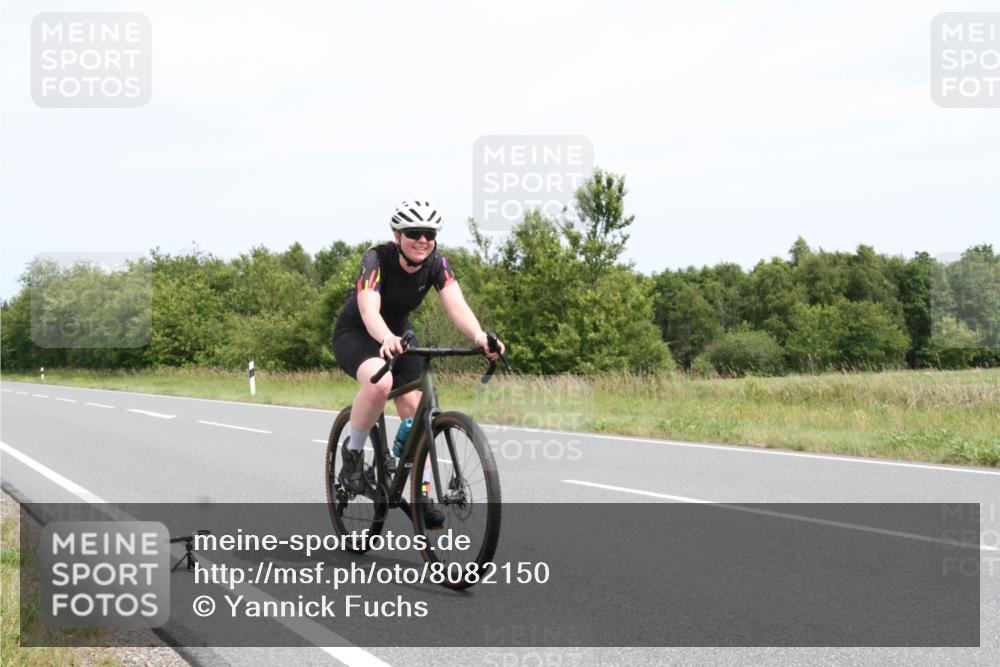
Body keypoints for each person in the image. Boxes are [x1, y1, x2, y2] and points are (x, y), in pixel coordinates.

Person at [331, 200, 505, 526]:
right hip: (358, 333)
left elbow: (456, 304)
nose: (422, 240)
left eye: (429, 233)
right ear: (398, 235)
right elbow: (369, 310)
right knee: (380, 383)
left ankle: (420, 493)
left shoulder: (437, 262)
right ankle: (352, 454)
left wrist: (480, 336)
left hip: (400, 336)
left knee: (416, 414)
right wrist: (384, 338)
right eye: (414, 233)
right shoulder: (376, 259)